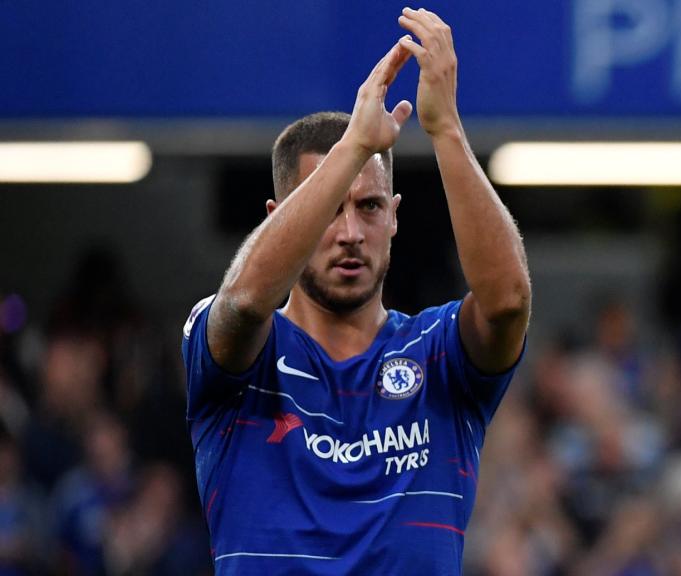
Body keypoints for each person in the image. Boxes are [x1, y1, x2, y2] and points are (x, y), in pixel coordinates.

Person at [181, 8, 530, 574]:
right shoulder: (240, 355)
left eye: (368, 207)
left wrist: (444, 128)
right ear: (281, 217)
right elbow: (244, 302)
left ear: (393, 218)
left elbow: (508, 302)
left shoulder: (438, 354)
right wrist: (353, 149)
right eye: (329, 207)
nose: (349, 233)